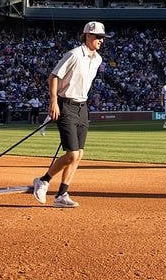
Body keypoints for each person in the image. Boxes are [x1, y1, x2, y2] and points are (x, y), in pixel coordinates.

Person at [32, 21, 109, 209]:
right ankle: (43, 180)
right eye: (98, 37)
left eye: (102, 38)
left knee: (79, 154)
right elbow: (54, 76)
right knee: (72, 154)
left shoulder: (97, 59)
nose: (101, 40)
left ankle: (61, 194)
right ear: (87, 36)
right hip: (65, 104)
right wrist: (53, 102)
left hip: (82, 106)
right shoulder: (74, 54)